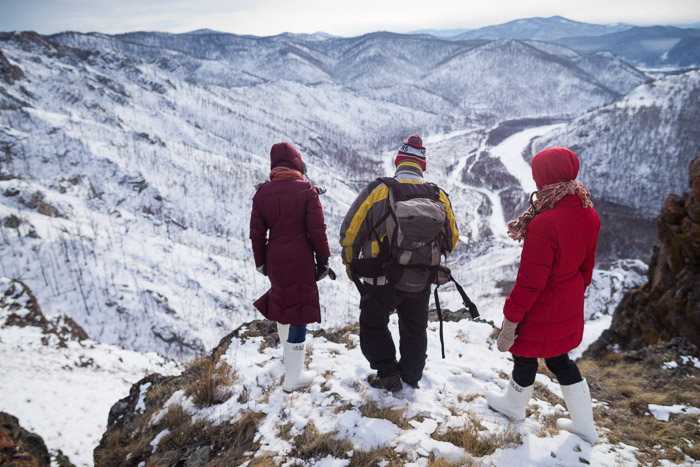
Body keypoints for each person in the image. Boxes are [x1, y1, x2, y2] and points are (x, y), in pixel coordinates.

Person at [486, 147, 600, 444]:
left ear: (544, 177)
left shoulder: (544, 223)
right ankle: (585, 426)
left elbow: (529, 283)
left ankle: (514, 406)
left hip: (542, 305)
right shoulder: (588, 210)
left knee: (523, 353)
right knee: (559, 359)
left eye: (537, 174)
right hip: (569, 298)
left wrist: (510, 321)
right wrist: (571, 293)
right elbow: (587, 268)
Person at [339, 134, 459, 392]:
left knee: (373, 325)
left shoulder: (380, 190)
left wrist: (351, 263)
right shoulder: (439, 196)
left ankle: (388, 374)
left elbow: (351, 231)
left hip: (381, 278)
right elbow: (453, 239)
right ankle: (412, 376)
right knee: (415, 329)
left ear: (398, 162)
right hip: (421, 278)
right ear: (422, 167)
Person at [250, 142, 331, 393]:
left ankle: (290, 361)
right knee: (298, 311)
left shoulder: (262, 193)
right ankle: (294, 377)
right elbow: (317, 231)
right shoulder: (307, 191)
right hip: (301, 257)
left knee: (283, 301)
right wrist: (324, 260)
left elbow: (256, 234)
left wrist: (261, 261)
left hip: (275, 256)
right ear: (297, 163)